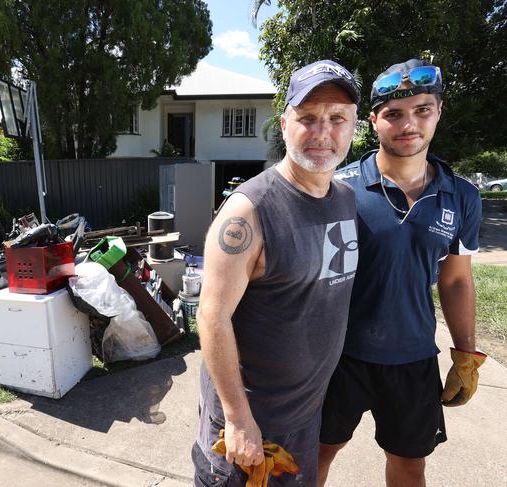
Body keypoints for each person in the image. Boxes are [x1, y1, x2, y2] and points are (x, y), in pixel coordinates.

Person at [192, 60, 361, 486]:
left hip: (304, 415)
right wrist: (238, 419)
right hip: (250, 426)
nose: (323, 132)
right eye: (307, 118)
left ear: (354, 127)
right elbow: (211, 317)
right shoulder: (250, 212)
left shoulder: (343, 197)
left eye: (337, 118)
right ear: (284, 124)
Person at [318, 59, 486, 487]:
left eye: (422, 109)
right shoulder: (339, 187)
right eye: (393, 113)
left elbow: (456, 279)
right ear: (373, 120)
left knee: (411, 466)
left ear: (439, 112)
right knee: (315, 454)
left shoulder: (461, 196)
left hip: (413, 359)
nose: (408, 124)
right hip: (340, 358)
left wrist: (465, 353)